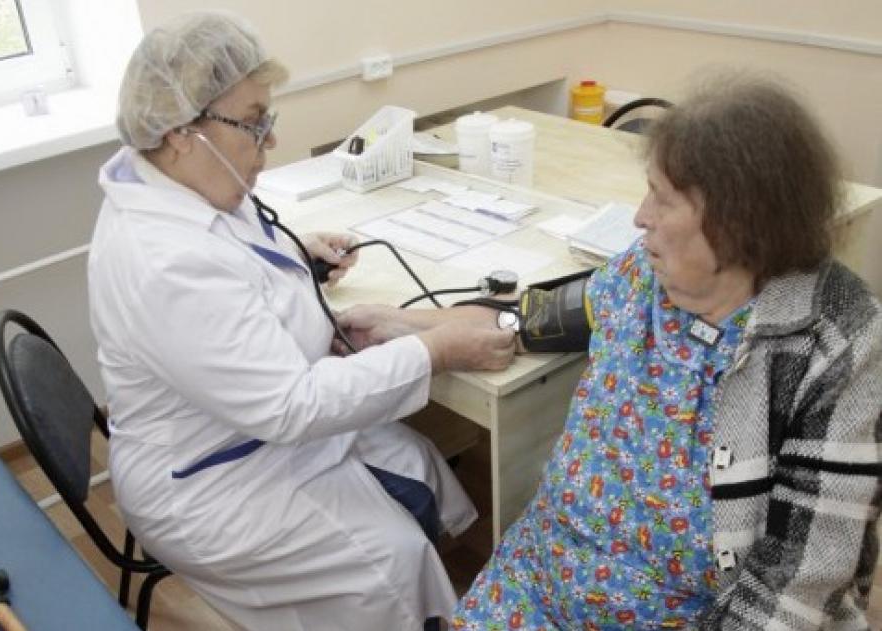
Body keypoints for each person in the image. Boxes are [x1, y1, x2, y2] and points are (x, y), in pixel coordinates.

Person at [339, 76, 882, 629]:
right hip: (535, 581)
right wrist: (407, 323)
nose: (640, 216)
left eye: (662, 198)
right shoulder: (642, 274)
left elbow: (793, 590)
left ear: (736, 223)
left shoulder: (834, 344)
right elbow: (531, 319)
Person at [87, 11, 516, 631]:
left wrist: (296, 260)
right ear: (181, 131)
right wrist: (438, 349)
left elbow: (231, 265)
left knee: (415, 462)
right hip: (211, 483)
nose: (269, 142)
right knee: (390, 566)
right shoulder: (163, 261)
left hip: (244, 434)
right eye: (253, 123)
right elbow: (288, 406)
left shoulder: (176, 181)